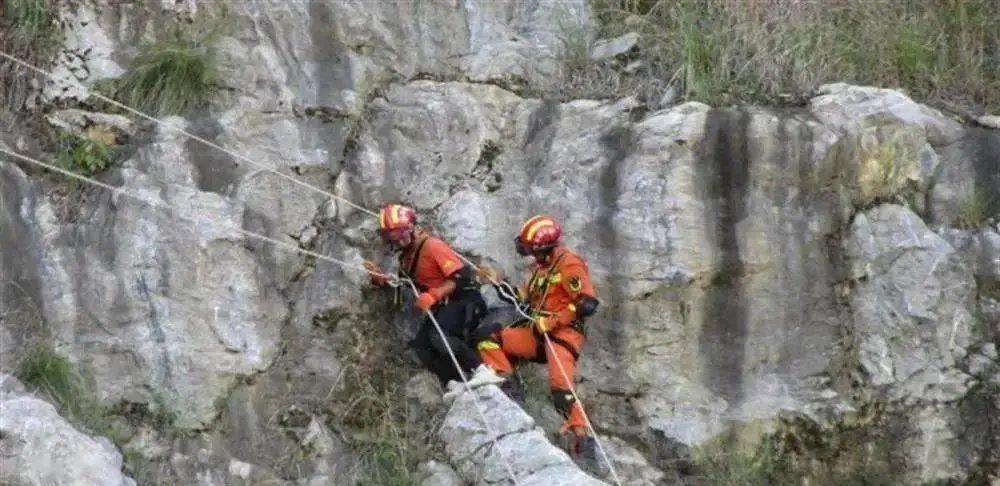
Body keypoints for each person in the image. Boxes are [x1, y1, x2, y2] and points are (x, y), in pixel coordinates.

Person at [472, 214, 605, 470]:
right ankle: (508, 389)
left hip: (562, 335)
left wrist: (553, 322)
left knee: (561, 391)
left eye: (531, 248)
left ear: (544, 246)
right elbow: (521, 298)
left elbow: (587, 303)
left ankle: (583, 442)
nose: (529, 253)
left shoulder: (569, 264)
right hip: (536, 333)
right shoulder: (539, 270)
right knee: (487, 337)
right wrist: (494, 282)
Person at [363, 203, 503, 389]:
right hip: (444, 305)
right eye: (391, 236)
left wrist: (434, 295)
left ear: (411, 228)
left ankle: (481, 370)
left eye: (400, 233)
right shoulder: (406, 258)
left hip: (464, 300)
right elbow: (406, 284)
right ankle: (456, 382)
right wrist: (381, 279)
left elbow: (461, 275)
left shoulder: (432, 246)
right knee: (422, 346)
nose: (397, 239)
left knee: (439, 335)